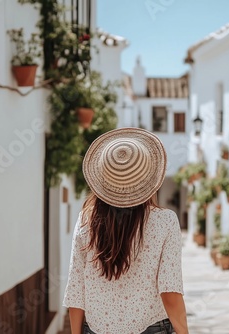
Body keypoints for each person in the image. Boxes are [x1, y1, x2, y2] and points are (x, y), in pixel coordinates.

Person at [63, 128, 188, 334]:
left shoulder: (86, 220)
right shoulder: (165, 221)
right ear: (149, 180)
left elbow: (76, 290)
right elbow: (170, 293)